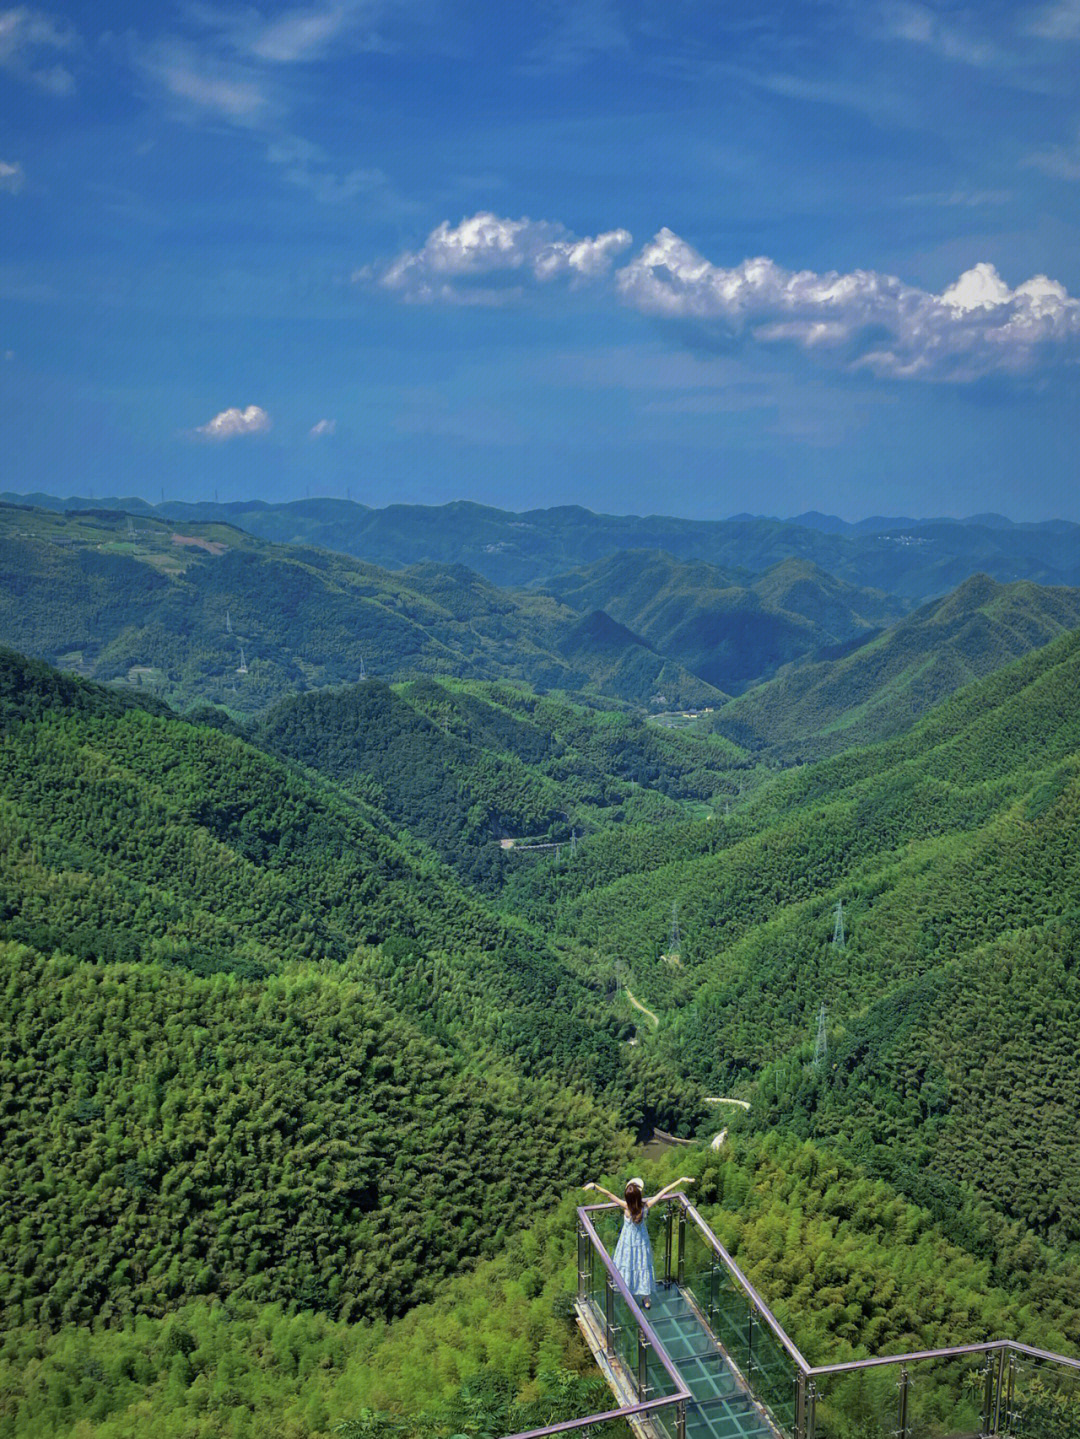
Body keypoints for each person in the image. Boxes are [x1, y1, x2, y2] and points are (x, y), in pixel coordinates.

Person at [582, 1175, 695, 1309]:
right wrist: (680, 1179)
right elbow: (664, 1191)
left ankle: (628, 1294)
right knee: (643, 1266)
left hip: (627, 1243)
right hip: (641, 1242)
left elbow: (609, 1194)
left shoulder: (626, 1208)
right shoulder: (645, 1207)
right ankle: (646, 1299)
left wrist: (594, 1186)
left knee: (627, 1265)